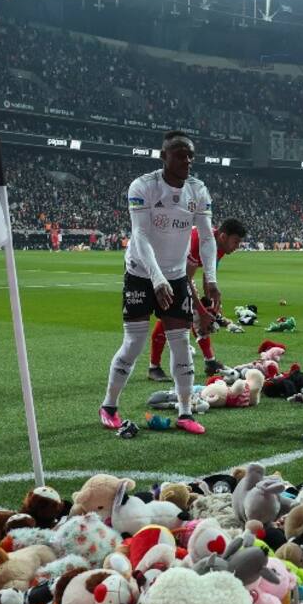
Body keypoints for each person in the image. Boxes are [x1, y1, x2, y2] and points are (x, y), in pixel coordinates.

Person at [99, 131, 218, 436]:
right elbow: (139, 235)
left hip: (176, 276)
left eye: (191, 154)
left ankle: (185, 411)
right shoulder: (143, 186)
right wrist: (156, 277)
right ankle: (109, 405)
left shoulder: (198, 190)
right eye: (180, 154)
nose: (187, 160)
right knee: (134, 342)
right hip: (141, 272)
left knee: (181, 342)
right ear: (163, 156)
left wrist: (211, 278)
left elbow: (206, 237)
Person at [147, 217, 246, 381]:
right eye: (235, 242)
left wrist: (210, 305)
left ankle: (210, 362)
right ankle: (154, 367)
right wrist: (201, 310)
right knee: (171, 313)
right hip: (161, 266)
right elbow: (185, 279)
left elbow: (209, 275)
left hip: (178, 269)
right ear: (223, 237)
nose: (237, 247)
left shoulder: (219, 246)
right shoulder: (198, 241)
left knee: (197, 312)